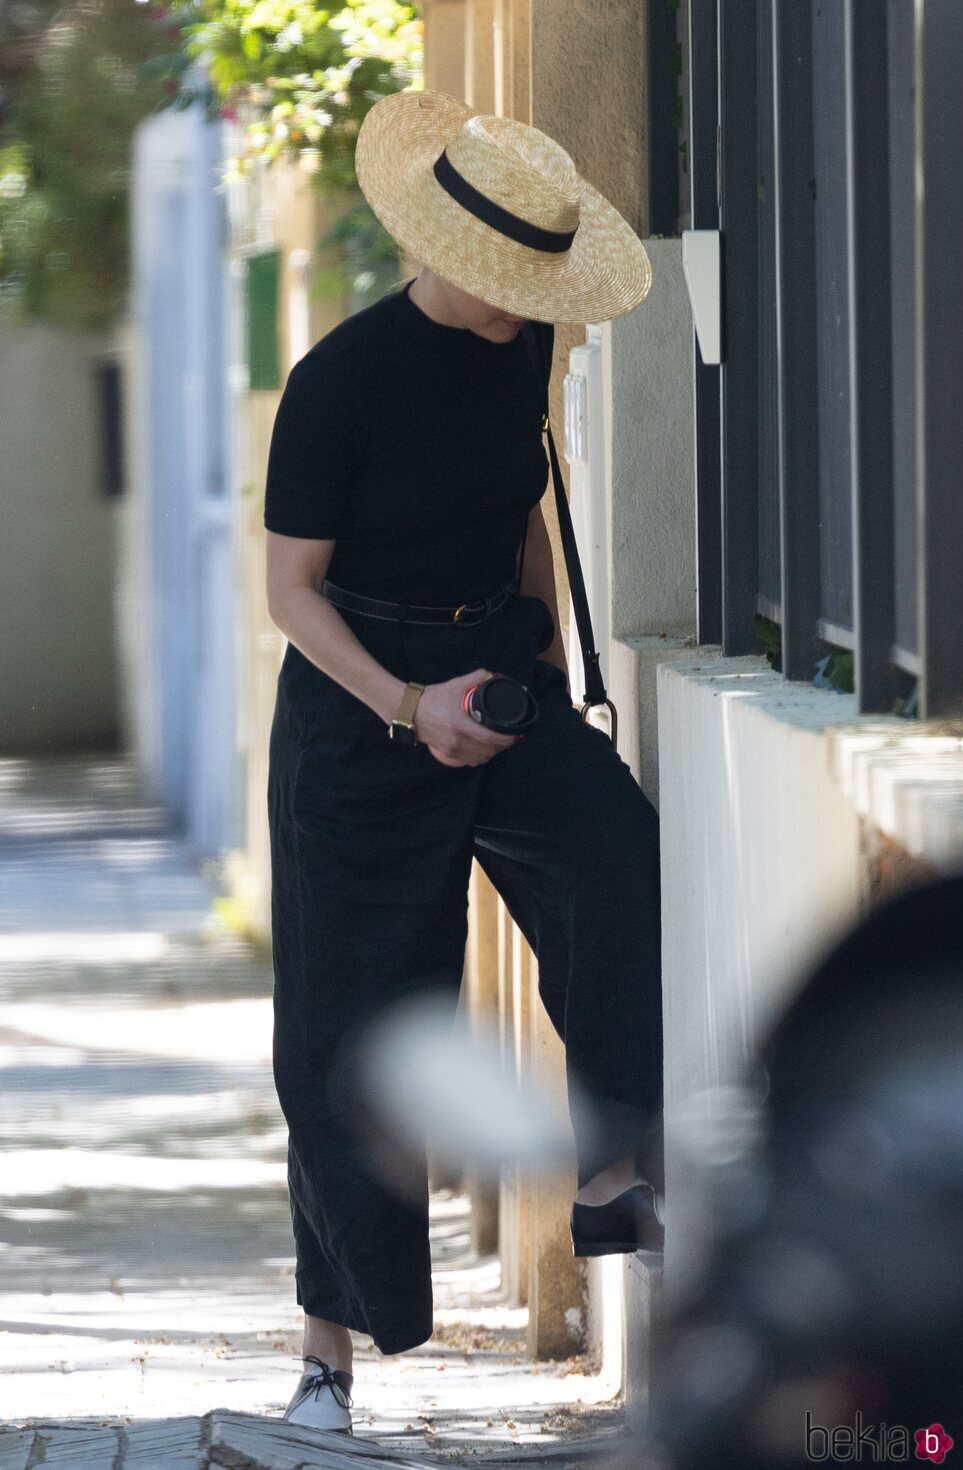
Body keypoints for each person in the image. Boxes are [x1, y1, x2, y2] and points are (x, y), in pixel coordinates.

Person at [263, 87, 664, 1436]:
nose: (520, 300)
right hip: (359, 703)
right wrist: (402, 703)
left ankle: (610, 1167)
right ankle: (331, 1350)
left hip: (494, 670)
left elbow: (523, 502)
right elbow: (291, 593)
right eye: (504, 275)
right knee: (348, 1029)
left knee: (614, 850)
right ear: (442, 253)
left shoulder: (525, 338)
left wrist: (538, 660)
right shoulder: (341, 382)